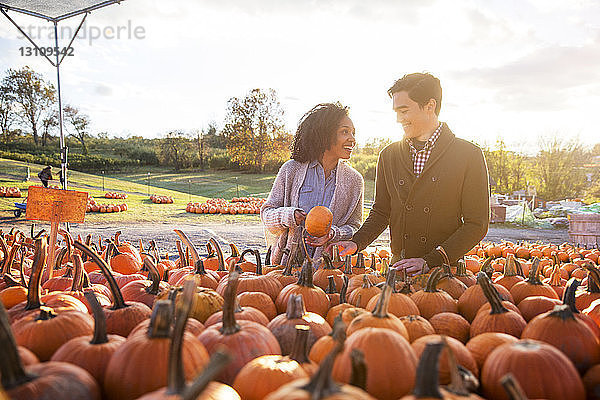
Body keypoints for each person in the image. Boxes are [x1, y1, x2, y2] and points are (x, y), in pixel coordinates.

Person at [334, 73, 490, 275]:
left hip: (445, 273)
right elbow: (382, 212)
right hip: (400, 270)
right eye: (396, 112)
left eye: (404, 110)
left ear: (430, 106)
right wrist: (357, 242)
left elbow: (476, 224)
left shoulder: (469, 155)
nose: (399, 119)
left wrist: (432, 260)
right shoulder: (389, 155)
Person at [261, 102, 364, 266]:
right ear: (325, 133)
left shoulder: (354, 180)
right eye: (345, 132)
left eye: (353, 133)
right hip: (286, 266)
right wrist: (290, 215)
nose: (352, 139)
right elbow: (267, 215)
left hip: (329, 271)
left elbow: (355, 228)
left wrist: (333, 233)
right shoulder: (291, 170)